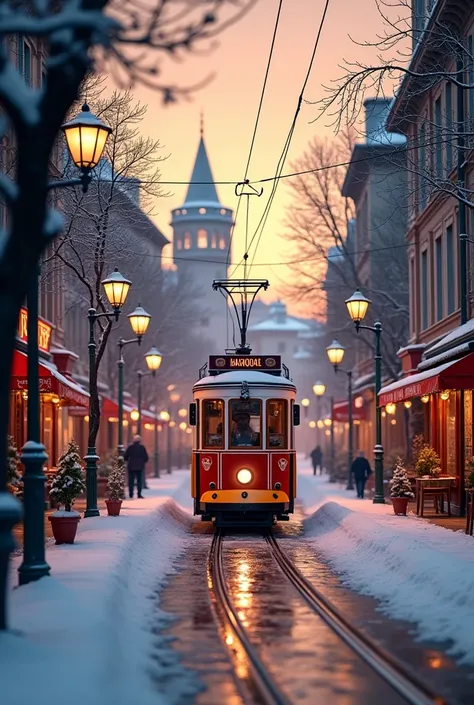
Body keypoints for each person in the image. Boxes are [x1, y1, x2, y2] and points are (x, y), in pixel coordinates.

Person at [124, 434, 149, 499]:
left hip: (131, 466)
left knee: (131, 481)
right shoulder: (142, 447)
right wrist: (142, 462)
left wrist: (129, 460)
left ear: (133, 440)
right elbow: (146, 457)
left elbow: (125, 457)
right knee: (139, 481)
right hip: (140, 467)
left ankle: (131, 494)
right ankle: (139, 494)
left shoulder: (130, 447)